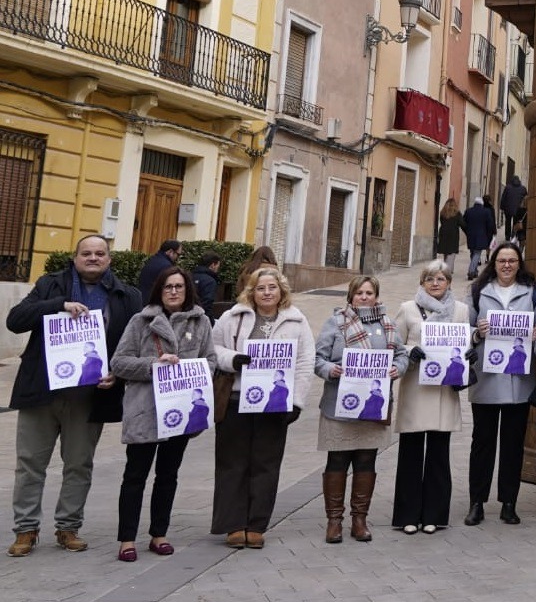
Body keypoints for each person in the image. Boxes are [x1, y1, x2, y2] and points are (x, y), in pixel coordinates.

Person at [7, 233, 141, 557]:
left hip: (89, 396)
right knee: (30, 463)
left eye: (99, 253)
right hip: (41, 390)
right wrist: (58, 306)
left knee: (79, 464)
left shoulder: (128, 296)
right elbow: (15, 321)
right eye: (86, 253)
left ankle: (68, 527)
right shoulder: (50, 285)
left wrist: (117, 374)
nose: (93, 258)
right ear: (75, 258)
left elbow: (134, 345)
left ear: (109, 259)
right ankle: (25, 529)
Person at [109, 265, 213, 561]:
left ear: (187, 290)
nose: (174, 291)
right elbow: (119, 363)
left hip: (179, 411)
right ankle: (127, 539)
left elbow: (211, 360)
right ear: (159, 290)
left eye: (179, 286)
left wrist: (194, 371)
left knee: (168, 475)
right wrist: (154, 365)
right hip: (145, 410)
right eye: (168, 287)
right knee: (135, 476)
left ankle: (159, 533)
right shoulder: (140, 321)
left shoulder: (201, 321)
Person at [210, 266, 316, 548]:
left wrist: (296, 401)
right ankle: (233, 525)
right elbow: (213, 349)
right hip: (236, 399)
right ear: (251, 292)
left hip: (275, 402)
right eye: (260, 288)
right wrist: (233, 359)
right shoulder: (232, 317)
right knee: (232, 464)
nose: (267, 293)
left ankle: (256, 524)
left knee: (266, 464)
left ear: (281, 290)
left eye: (272, 287)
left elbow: (305, 361)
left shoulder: (296, 321)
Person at [312, 275, 406, 544]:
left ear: (376, 296)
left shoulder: (388, 324)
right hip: (339, 408)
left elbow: (401, 355)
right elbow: (317, 359)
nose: (364, 297)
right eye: (359, 293)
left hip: (372, 408)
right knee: (337, 461)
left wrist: (396, 368)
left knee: (366, 461)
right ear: (350, 296)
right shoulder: (335, 323)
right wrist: (331, 369)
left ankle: (359, 520)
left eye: (369, 293)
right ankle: (334, 521)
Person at [465, 242, 536, 526]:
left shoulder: (533, 291)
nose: (507, 265)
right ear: (494, 263)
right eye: (502, 260)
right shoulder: (478, 290)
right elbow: (464, 330)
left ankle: (509, 503)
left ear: (519, 264)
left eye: (512, 260)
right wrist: (477, 333)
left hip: (518, 383)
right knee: (482, 444)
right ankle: (477, 502)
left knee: (513, 445)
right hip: (486, 381)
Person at [393, 260, 468, 535]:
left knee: (438, 454)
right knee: (411, 453)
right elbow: (395, 345)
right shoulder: (408, 308)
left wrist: (468, 354)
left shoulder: (460, 310)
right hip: (416, 387)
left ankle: (434, 515)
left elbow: (465, 343)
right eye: (430, 279)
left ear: (449, 282)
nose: (435, 283)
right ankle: (407, 515)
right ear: (422, 282)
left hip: (443, 391)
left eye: (441, 279)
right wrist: (410, 351)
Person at [462, 196, 497, 281]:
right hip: (482, 235)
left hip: (470, 235)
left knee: (472, 252)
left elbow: (463, 223)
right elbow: (490, 224)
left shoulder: (468, 211)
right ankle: (471, 271)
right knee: (477, 253)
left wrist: (467, 231)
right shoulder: (486, 212)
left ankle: (475, 271)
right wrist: (489, 234)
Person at [434, 200, 463, 268]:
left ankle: (446, 267)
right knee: (452, 252)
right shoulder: (457, 213)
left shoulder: (443, 213)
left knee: (446, 251)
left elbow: (441, 221)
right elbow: (461, 223)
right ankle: (448, 268)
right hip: (453, 233)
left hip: (443, 232)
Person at [499, 172, 527, 240]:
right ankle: (513, 235)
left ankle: (507, 236)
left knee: (508, 222)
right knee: (515, 222)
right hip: (518, 209)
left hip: (508, 209)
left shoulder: (507, 187)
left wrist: (502, 207)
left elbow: (503, 198)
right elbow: (526, 198)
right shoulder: (523, 188)